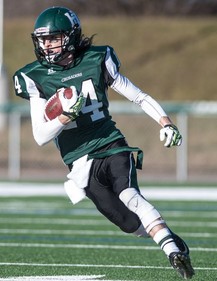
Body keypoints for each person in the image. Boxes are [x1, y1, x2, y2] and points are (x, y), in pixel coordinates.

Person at [13, 6, 195, 279]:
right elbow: (40, 136)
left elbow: (138, 96)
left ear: (71, 37)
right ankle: (170, 238)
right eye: (43, 39)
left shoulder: (97, 59)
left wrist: (165, 122)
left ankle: (171, 250)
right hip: (80, 163)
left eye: (54, 38)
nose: (47, 45)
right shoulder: (34, 76)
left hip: (111, 144)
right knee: (129, 224)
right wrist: (64, 117)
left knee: (129, 195)